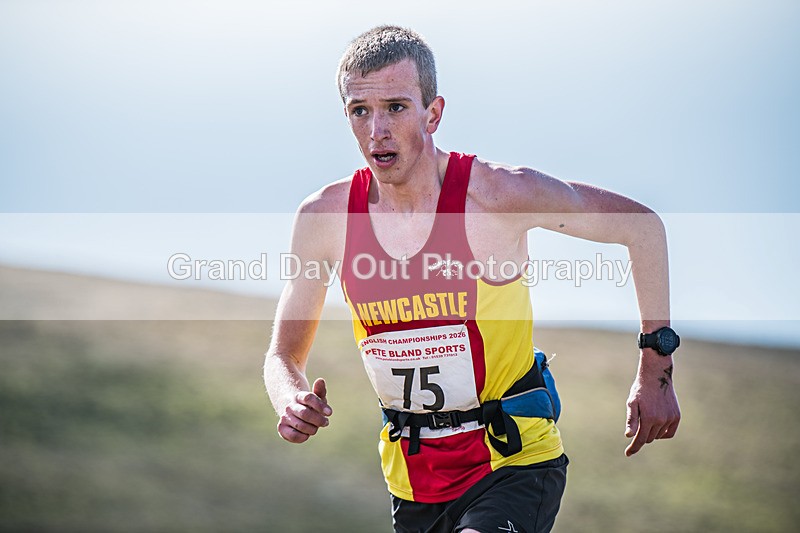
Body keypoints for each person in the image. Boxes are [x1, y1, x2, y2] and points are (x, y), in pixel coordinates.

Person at [263, 25, 681, 533]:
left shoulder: (496, 196)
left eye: (395, 107)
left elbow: (643, 228)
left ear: (433, 112)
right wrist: (290, 399)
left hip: (514, 465)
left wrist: (655, 366)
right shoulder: (325, 218)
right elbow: (283, 356)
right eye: (360, 111)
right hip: (412, 484)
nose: (377, 130)